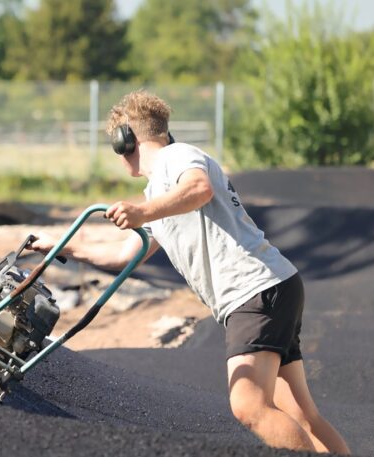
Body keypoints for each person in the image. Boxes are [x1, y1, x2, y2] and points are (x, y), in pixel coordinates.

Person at [28, 90, 350, 454]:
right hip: (274, 286)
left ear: (126, 140)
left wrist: (142, 213)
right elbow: (122, 255)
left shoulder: (176, 157)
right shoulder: (160, 193)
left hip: (254, 291)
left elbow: (199, 188)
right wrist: (61, 246)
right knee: (302, 416)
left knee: (248, 405)